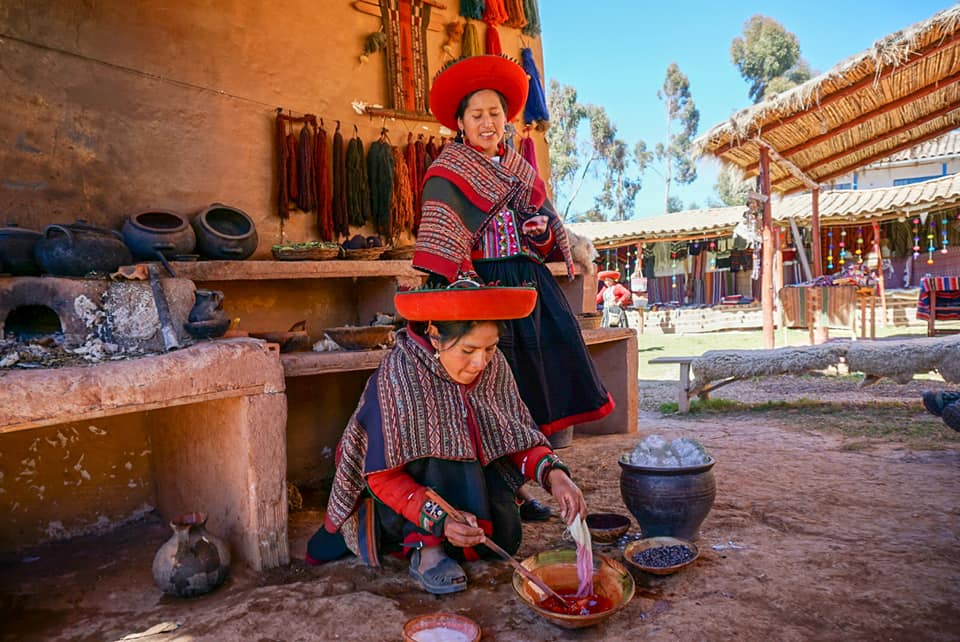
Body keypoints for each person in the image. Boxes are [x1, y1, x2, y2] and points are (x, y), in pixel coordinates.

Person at [412, 55, 615, 519]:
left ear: (507, 120)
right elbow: (443, 240)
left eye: (495, 114)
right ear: (461, 123)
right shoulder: (449, 172)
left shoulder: (521, 169)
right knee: (489, 395)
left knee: (530, 392)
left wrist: (541, 231)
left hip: (529, 290)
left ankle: (522, 483)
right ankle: (509, 493)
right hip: (481, 292)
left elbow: (542, 239)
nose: (488, 123)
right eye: (477, 115)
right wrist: (467, 294)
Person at [307, 285, 589, 595]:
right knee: (437, 447)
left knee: (505, 539)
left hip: (470, 479)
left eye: (490, 348)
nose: (480, 363)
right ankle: (426, 550)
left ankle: (479, 520)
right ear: (435, 336)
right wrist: (440, 522)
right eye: (468, 351)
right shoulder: (400, 376)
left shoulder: (494, 367)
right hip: (405, 490)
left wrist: (555, 475)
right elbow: (383, 477)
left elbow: (512, 434)